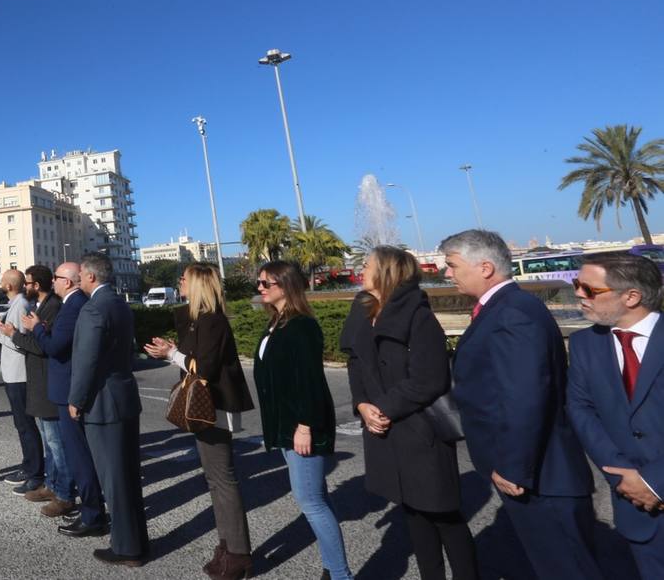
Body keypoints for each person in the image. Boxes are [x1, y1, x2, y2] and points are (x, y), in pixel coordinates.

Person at [443, 229, 603, 580]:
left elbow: (525, 396)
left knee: (566, 568)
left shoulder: (514, 312)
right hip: (532, 472)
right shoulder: (505, 307)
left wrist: (514, 467)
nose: (446, 273)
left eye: (452, 265)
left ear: (485, 267)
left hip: (540, 477)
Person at [339, 247, 477, 580]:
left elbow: (431, 378)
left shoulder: (417, 314)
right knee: (414, 513)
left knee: (444, 515)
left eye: (368, 264)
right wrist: (361, 405)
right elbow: (355, 363)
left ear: (387, 271)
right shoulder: (363, 310)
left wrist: (384, 407)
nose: (362, 269)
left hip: (420, 429)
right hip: (386, 432)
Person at [145, 263, 255, 580]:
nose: (179, 282)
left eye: (183, 279)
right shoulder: (201, 320)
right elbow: (195, 358)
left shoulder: (212, 321)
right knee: (216, 479)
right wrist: (173, 349)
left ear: (197, 284)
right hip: (209, 409)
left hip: (214, 409)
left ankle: (237, 554)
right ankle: (229, 548)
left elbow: (203, 367)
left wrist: (170, 354)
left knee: (222, 481)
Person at [253, 260, 353, 580]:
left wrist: (305, 426)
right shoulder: (277, 323)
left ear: (286, 285)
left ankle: (340, 575)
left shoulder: (302, 325)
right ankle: (332, 568)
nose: (260, 288)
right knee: (317, 497)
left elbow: (309, 381)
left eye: (266, 283)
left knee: (310, 502)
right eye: (260, 283)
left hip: (301, 427)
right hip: (286, 426)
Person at [566, 251, 664, 578]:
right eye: (578, 285)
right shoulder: (584, 344)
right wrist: (625, 477)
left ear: (632, 296)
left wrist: (654, 481)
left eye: (589, 289)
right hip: (633, 506)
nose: (578, 294)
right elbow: (581, 410)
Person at [70, 251, 150, 567]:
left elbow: (87, 360)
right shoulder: (119, 304)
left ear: (90, 277)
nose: (78, 280)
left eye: (80, 275)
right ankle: (136, 542)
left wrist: (76, 400)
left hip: (103, 404)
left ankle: (127, 549)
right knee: (128, 477)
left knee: (114, 480)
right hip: (124, 398)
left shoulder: (93, 309)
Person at [24, 261, 107, 530]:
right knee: (75, 452)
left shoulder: (72, 306)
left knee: (77, 455)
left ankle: (91, 512)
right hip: (67, 388)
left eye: (58, 277)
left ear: (67, 282)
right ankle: (89, 507)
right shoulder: (75, 304)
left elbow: (56, 347)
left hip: (67, 389)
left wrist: (37, 327)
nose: (54, 282)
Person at [0, 265, 72, 512]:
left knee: (54, 440)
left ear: (35, 286)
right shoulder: (41, 305)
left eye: (27, 283)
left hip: (44, 379)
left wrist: (14, 333)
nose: (24, 287)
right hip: (38, 379)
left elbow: (43, 346)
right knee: (48, 438)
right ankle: (52, 483)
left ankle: (63, 492)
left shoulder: (51, 307)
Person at [0, 269, 45, 494]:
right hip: (13, 373)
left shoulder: (20, 304)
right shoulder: (16, 303)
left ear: (10, 285)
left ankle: (35, 472)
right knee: (22, 424)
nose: (1, 281)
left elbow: (21, 342)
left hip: (19, 374)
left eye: (2, 280)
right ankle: (29, 466)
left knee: (25, 425)